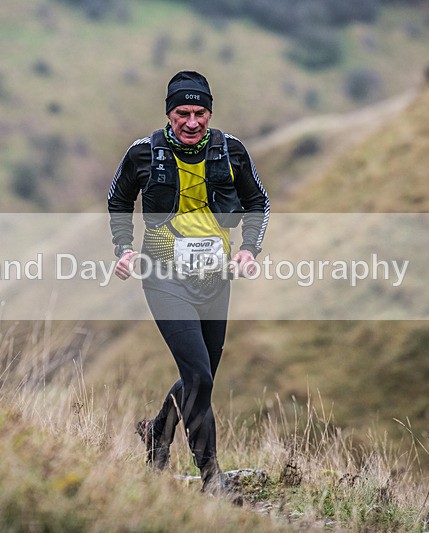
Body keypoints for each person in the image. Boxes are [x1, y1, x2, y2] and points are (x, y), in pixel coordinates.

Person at [107, 71, 269, 493]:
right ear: (169, 113)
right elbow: (119, 201)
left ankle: (158, 431)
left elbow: (258, 202)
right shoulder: (143, 153)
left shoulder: (231, 150)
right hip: (163, 278)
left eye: (200, 113)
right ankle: (212, 477)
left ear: (210, 113)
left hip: (216, 280)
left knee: (202, 377)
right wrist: (123, 248)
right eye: (182, 113)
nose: (192, 122)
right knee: (198, 376)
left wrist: (249, 249)